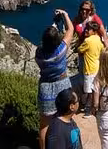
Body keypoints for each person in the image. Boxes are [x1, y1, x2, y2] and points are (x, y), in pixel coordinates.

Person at [37, 9, 74, 149]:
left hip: (45, 87)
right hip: (62, 85)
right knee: (66, 119)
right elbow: (70, 29)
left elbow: (48, 41)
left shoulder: (39, 54)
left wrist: (53, 25)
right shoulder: (61, 51)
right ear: (57, 40)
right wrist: (65, 15)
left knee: (44, 124)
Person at [78, 20, 103, 117]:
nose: (86, 31)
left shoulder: (87, 41)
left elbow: (80, 50)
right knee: (95, 89)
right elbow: (102, 50)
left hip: (89, 69)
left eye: (88, 29)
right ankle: (96, 107)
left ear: (94, 31)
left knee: (89, 91)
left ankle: (88, 111)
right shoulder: (98, 39)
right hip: (96, 67)